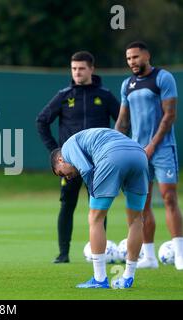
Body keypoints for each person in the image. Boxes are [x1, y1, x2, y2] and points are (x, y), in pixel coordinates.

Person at [36, 51, 120, 263]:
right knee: (67, 205)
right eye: (74, 69)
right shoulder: (64, 95)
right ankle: (63, 253)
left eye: (81, 68)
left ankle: (99, 252)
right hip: (71, 165)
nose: (77, 73)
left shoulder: (105, 95)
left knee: (99, 206)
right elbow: (41, 121)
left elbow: (123, 121)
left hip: (99, 162)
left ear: (92, 69)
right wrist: (55, 151)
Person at [51, 128, 148, 289]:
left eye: (62, 174)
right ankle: (128, 277)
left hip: (112, 155)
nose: (67, 178)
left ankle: (99, 279)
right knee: (137, 219)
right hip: (139, 155)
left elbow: (86, 169)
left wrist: (94, 192)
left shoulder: (67, 147)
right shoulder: (90, 137)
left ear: (60, 160)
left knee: (95, 218)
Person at [115, 41, 183, 270]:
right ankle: (150, 257)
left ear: (146, 55)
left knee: (169, 198)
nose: (132, 62)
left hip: (162, 148)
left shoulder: (163, 78)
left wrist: (153, 144)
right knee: (141, 203)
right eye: (128, 58)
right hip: (137, 151)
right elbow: (123, 121)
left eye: (135, 57)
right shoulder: (127, 85)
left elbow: (169, 115)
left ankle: (180, 254)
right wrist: (114, 147)